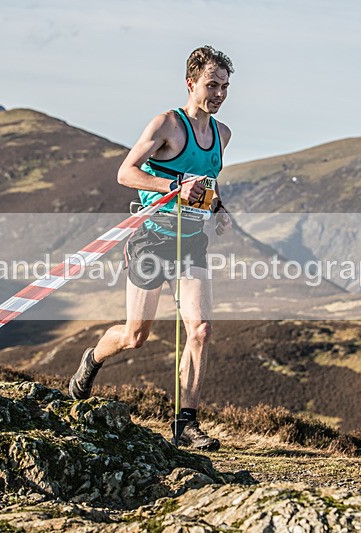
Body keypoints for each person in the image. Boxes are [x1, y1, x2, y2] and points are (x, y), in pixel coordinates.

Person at [68, 45, 234, 451]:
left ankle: (185, 425)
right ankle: (92, 359)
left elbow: (206, 183)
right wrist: (173, 186)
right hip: (151, 239)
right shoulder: (167, 124)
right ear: (191, 83)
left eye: (225, 87)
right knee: (135, 336)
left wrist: (219, 209)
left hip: (191, 241)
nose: (219, 94)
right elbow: (125, 172)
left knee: (201, 329)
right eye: (212, 85)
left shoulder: (222, 135)